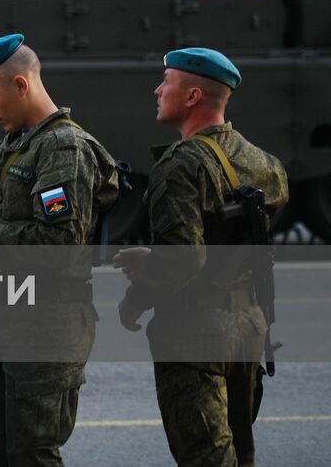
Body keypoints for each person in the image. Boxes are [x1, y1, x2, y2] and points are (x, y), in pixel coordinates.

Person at [0, 33, 119, 467]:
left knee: (32, 455)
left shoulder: (62, 147)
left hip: (48, 325)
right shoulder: (20, 142)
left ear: (21, 85)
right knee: (6, 452)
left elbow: (59, 243)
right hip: (13, 317)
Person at [113, 49, 288, 467]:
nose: (158, 90)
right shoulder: (265, 163)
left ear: (192, 96)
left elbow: (184, 258)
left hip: (196, 335)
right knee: (241, 454)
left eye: (166, 81)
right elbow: (233, 240)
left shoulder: (180, 165)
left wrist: (135, 298)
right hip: (248, 325)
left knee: (206, 458)